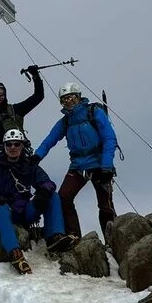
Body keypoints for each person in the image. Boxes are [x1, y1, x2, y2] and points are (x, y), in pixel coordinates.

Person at [32, 82, 119, 246]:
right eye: (64, 99)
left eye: (71, 97)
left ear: (78, 97)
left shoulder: (94, 112)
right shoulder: (65, 122)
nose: (68, 101)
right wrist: (37, 156)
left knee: (105, 205)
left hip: (99, 164)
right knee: (63, 197)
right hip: (78, 165)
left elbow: (109, 138)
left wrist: (106, 166)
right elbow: (49, 140)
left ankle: (112, 242)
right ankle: (74, 236)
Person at [0, 129, 68, 275]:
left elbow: (46, 181)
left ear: (22, 146)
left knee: (53, 196)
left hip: (25, 210)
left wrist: (44, 192)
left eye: (16, 144)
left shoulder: (29, 165)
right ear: (4, 146)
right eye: (9, 144)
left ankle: (55, 236)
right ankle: (14, 252)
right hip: (5, 208)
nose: (13, 147)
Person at [0, 66, 45, 157]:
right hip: (0, 156)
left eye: (1, 95)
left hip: (20, 154)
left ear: (5, 95)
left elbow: (38, 96)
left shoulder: (16, 110)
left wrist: (35, 76)